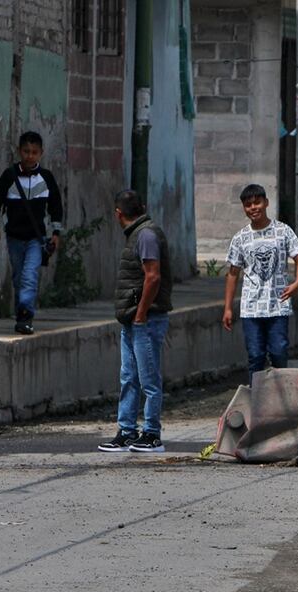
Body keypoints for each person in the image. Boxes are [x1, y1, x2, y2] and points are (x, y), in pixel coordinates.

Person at [98, 190, 174, 454]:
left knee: (148, 378)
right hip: (134, 318)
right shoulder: (140, 234)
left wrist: (141, 313)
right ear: (142, 206)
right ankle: (127, 430)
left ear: (118, 214)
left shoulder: (146, 235)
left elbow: (153, 277)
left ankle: (152, 433)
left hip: (146, 319)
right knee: (129, 377)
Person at [223, 184, 298, 385]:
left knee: (279, 353)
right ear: (244, 208)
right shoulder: (240, 238)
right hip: (251, 308)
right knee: (255, 356)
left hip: (277, 304)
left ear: (266, 203)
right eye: (248, 204)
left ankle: (281, 399)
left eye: (257, 202)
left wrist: (297, 283)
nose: (253, 208)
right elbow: (233, 273)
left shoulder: (282, 231)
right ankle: (257, 401)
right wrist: (227, 308)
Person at [0, 131, 64, 335]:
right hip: (13, 238)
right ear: (19, 151)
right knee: (19, 277)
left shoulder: (46, 178)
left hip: (36, 240)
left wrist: (56, 232)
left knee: (30, 276)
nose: (30, 156)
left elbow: (56, 207)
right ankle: (21, 312)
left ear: (41, 153)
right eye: (26, 151)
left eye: (34, 152)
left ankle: (25, 315)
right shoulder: (9, 176)